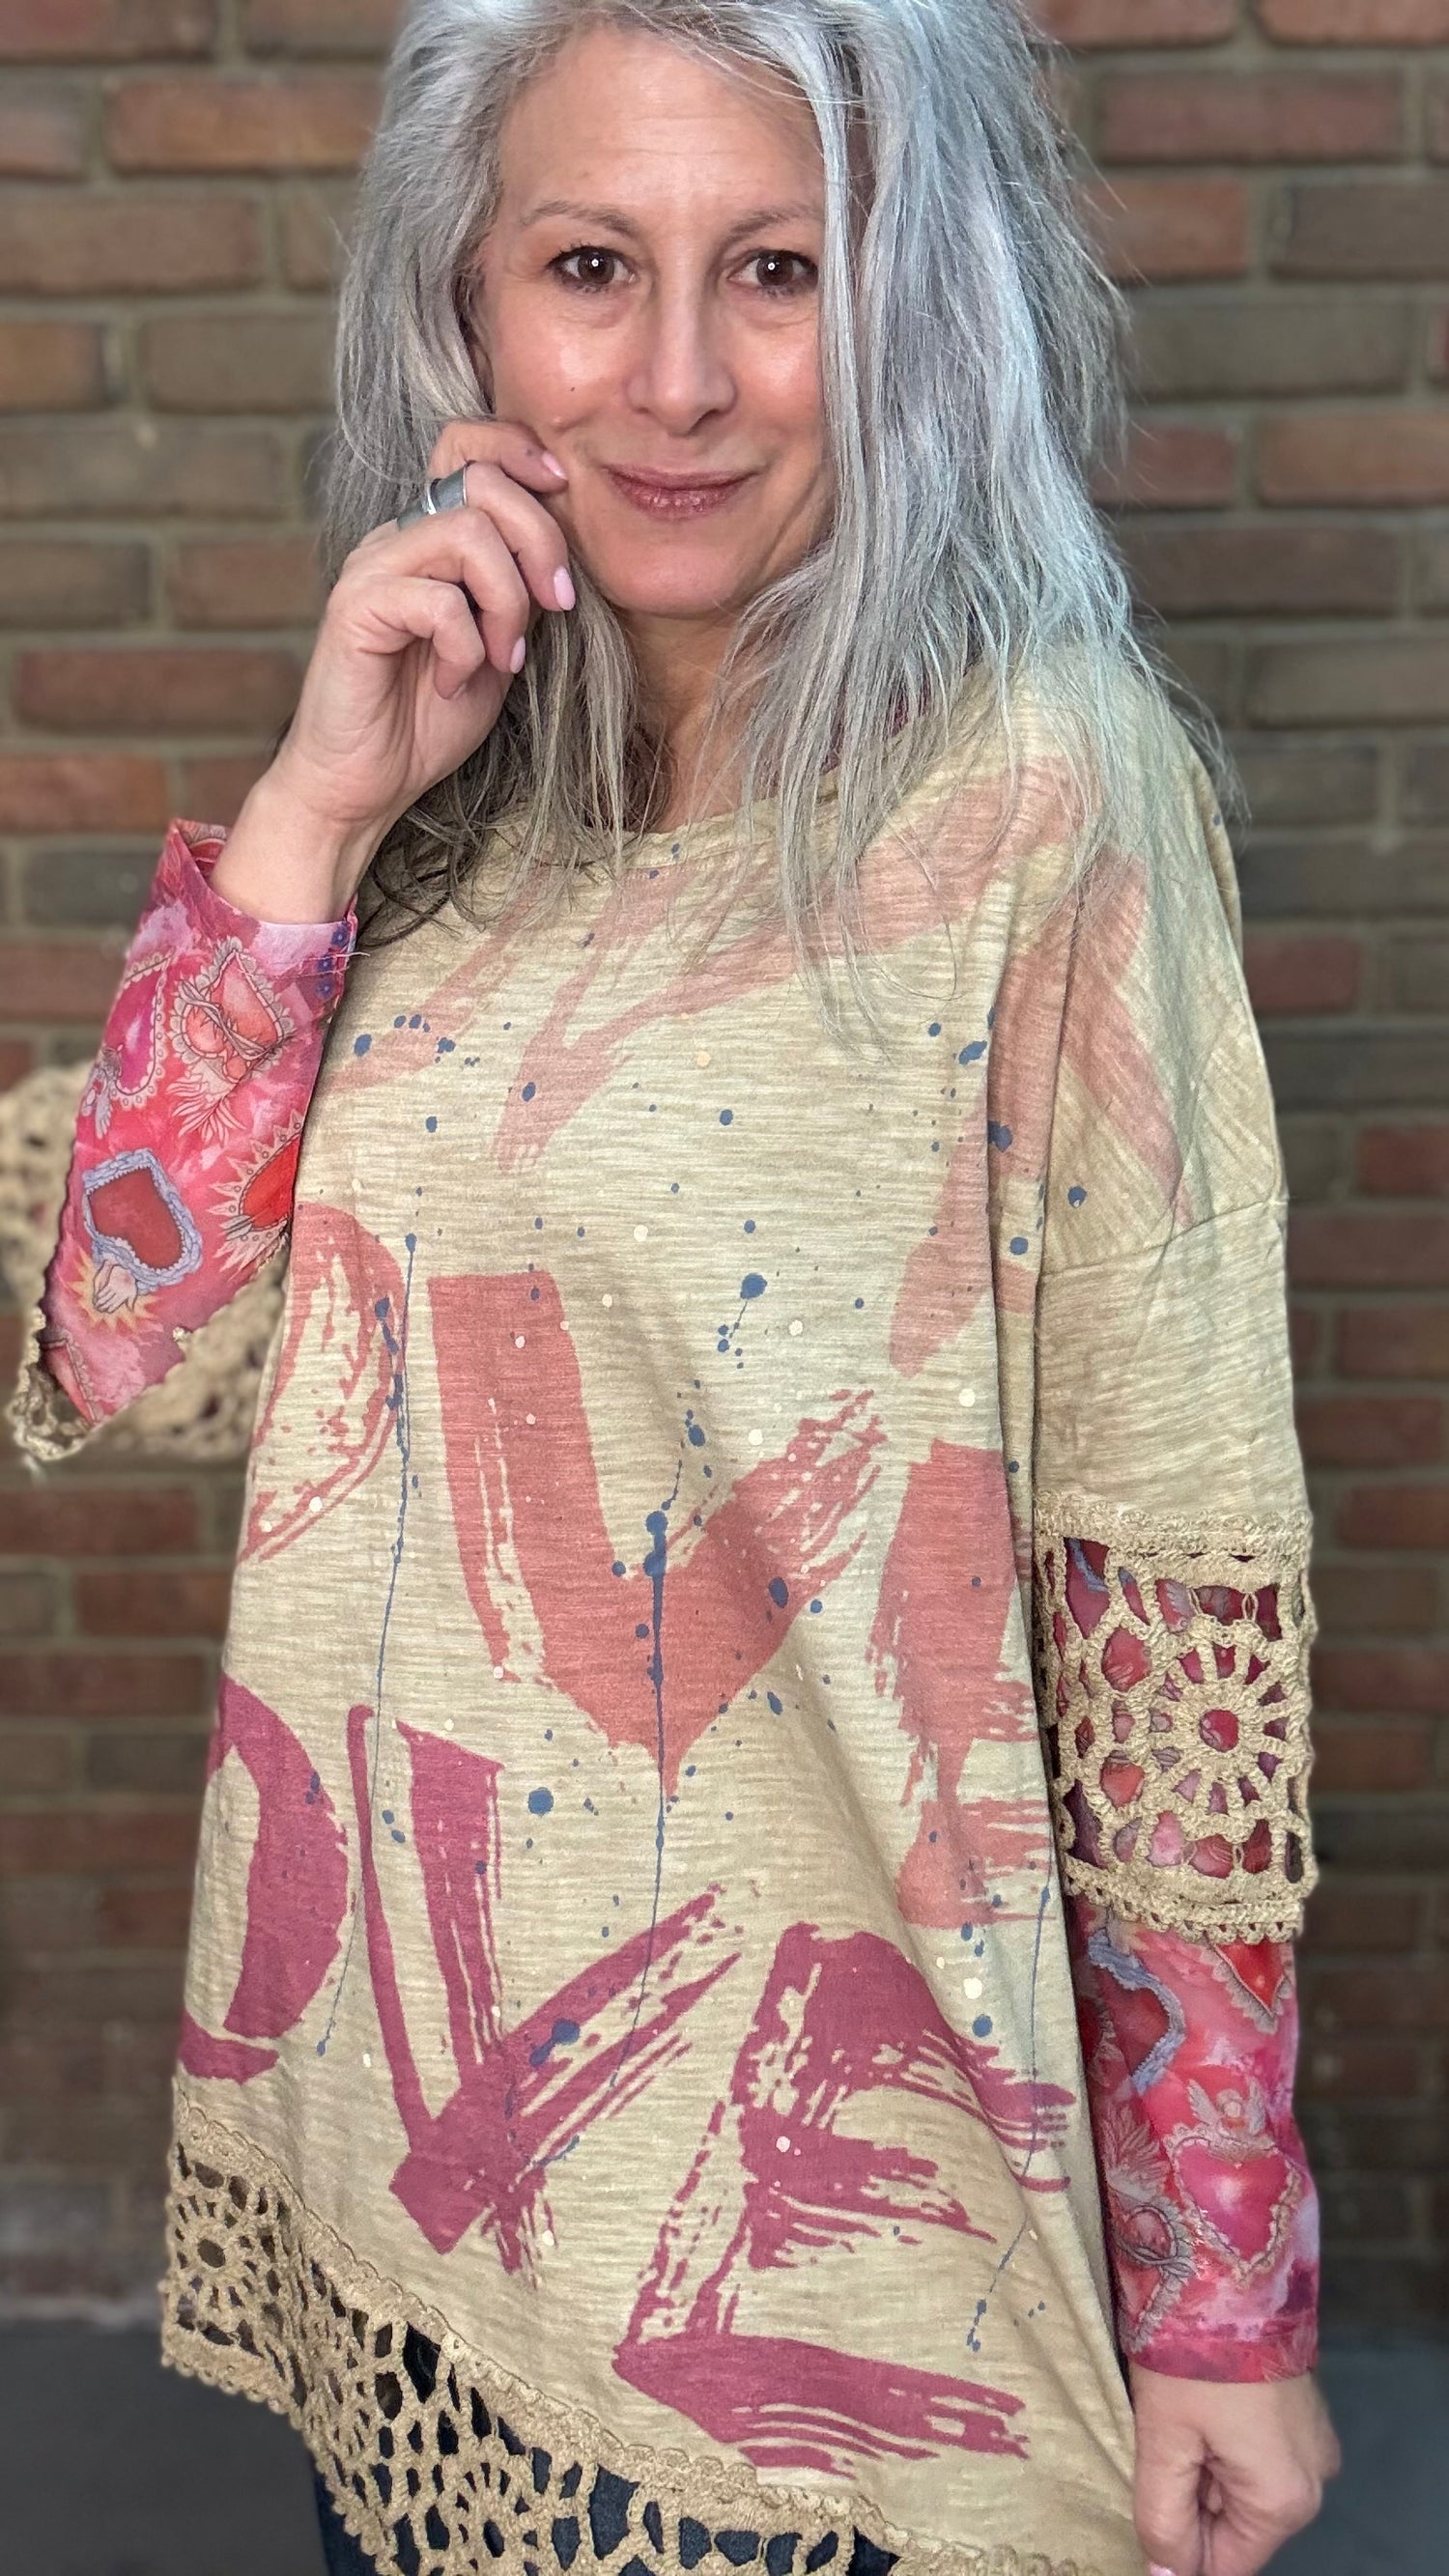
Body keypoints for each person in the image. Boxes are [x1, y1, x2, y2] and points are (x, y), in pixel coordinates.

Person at [14, 6, 1340, 2575]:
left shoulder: (1041, 789)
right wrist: (305, 816)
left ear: (904, 302)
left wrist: (1224, 2297)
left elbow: (1166, 1572)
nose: (678, 381)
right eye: (589, 268)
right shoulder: (461, 779)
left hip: (806, 2278)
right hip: (403, 2187)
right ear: (468, 309)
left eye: (775, 271)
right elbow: (117, 1343)